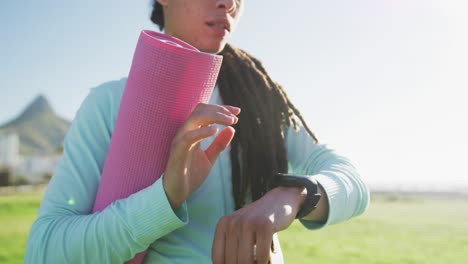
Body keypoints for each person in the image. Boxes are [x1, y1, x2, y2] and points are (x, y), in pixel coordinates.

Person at [24, 0, 369, 263]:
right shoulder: (109, 102)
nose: (228, 2)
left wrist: (294, 195)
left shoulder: (261, 99)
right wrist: (165, 198)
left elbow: (352, 182)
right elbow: (46, 250)